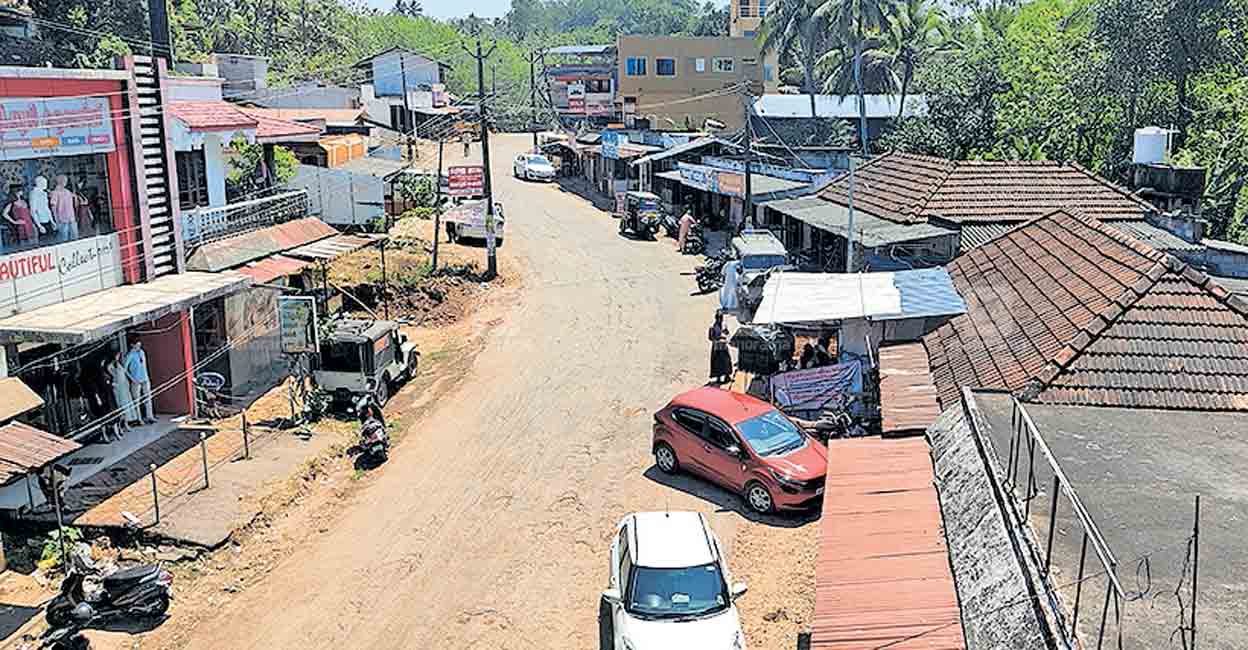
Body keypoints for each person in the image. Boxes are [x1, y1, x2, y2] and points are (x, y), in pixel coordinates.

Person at [125, 338, 156, 425]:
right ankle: (139, 419)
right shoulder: (130, 355)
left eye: (139, 345)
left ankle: (150, 416)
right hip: (136, 380)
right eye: (137, 345)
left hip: (145, 378)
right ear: (132, 345)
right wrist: (132, 379)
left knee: (148, 398)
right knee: (137, 401)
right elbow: (125, 369)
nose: (138, 347)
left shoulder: (142, 352)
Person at [106, 349, 138, 432]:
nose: (118, 357)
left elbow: (124, 373)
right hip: (118, 388)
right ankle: (121, 426)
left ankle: (126, 423)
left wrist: (132, 380)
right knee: (121, 406)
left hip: (124, 387)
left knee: (126, 405)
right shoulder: (110, 366)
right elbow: (112, 377)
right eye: (117, 355)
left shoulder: (118, 364)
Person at [50, 175, 77, 242]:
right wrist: (56, 220)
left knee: (75, 237)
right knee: (64, 239)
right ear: (60, 181)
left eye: (66, 180)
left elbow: (73, 201)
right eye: (64, 180)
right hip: (62, 219)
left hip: (71, 218)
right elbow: (53, 207)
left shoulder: (67, 191)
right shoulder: (55, 193)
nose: (65, 182)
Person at [708, 312, 733, 385]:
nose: (720, 320)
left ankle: (727, 376)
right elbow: (710, 337)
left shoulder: (724, 325)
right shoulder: (712, 327)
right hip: (717, 348)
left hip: (724, 346)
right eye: (719, 318)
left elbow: (727, 334)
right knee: (717, 362)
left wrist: (726, 332)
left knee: (726, 361)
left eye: (721, 318)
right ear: (716, 318)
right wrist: (719, 337)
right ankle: (718, 377)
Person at [29, 176, 53, 243]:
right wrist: (39, 225)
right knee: (44, 242)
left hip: (47, 220)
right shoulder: (33, 194)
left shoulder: (44, 193)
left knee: (52, 241)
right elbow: (33, 211)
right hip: (41, 221)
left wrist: (52, 221)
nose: (46, 184)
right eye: (44, 182)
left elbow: (47, 208)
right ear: (38, 183)